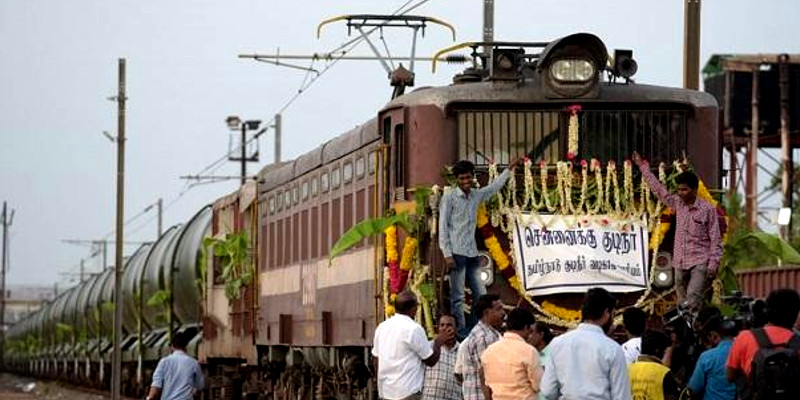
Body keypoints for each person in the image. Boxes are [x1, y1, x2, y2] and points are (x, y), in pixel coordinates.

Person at [439, 158, 521, 338]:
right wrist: (447, 254)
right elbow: (442, 227)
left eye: (468, 178)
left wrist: (508, 169)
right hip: (456, 253)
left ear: (472, 177)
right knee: (458, 296)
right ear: (456, 180)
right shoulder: (449, 197)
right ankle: (460, 332)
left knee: (481, 294)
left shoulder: (476, 195)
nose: (465, 182)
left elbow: (493, 188)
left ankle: (476, 329)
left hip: (472, 252)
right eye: (461, 179)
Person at [632, 152, 723, 312]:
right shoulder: (678, 204)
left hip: (700, 262)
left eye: (684, 190)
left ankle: (692, 332)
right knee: (682, 305)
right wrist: (642, 167)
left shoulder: (707, 210)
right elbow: (658, 190)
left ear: (694, 190)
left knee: (693, 300)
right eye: (679, 190)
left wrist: (713, 264)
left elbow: (716, 239)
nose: (680, 193)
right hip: (679, 262)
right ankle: (689, 332)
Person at [541, 288, 630, 400]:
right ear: (607, 313)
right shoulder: (613, 349)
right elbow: (621, 396)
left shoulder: (557, 343)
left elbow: (548, 391)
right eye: (613, 314)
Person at [373, 291, 455, 400]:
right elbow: (431, 360)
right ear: (413, 310)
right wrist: (439, 341)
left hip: (386, 392)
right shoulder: (414, 329)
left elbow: (375, 359)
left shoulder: (382, 327)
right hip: (408, 393)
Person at [726, 288, 800, 400]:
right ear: (795, 314)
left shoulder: (745, 337)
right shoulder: (797, 341)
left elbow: (730, 376)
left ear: (767, 311)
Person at [481, 308, 543, 400]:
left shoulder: (489, 351)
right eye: (531, 330)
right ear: (526, 327)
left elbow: (486, 384)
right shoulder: (529, 351)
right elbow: (539, 385)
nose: (530, 335)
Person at [455, 293, 504, 400]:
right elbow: (485, 375)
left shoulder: (488, 333)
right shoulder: (484, 337)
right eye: (499, 309)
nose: (503, 313)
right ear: (486, 312)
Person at [687, 315, 737, 400]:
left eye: (707, 338)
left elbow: (693, 389)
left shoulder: (707, 357)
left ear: (713, 335)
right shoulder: (745, 351)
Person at [145, 330, 204, 400]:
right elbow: (200, 386)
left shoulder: (164, 362)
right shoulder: (194, 363)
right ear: (186, 346)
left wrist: (150, 397)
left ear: (172, 346)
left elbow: (156, 386)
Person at [629, 330, 681, 400]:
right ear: (657, 350)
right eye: (664, 350)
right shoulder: (664, 373)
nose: (664, 352)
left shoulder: (627, 369)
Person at [422, 314, 461, 400]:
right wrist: (438, 343)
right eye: (442, 325)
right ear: (438, 328)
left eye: (449, 325)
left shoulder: (462, 350)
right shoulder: (428, 347)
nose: (444, 328)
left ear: (457, 329)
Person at [528, 322, 553, 400]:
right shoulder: (529, 353)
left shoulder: (553, 353)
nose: (528, 336)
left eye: (531, 332)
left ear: (541, 335)